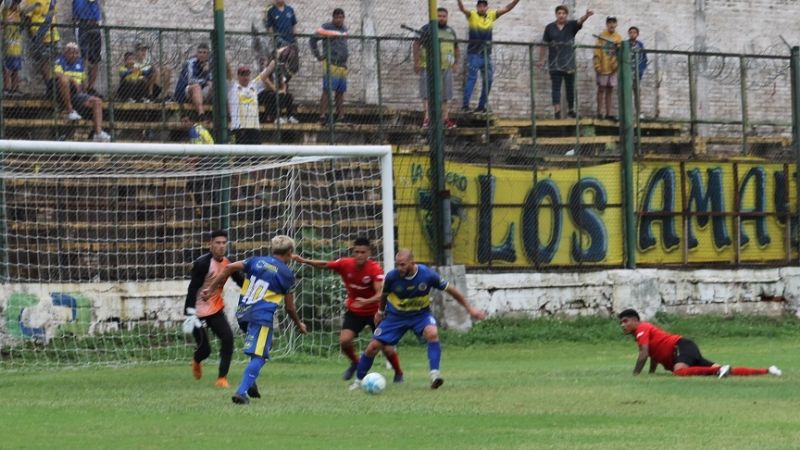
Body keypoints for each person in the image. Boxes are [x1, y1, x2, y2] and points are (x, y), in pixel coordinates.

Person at [350, 249, 487, 390]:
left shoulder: (427, 274)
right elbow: (384, 295)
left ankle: (435, 375)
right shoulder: (392, 277)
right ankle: (358, 381)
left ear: (412, 262)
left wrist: (470, 309)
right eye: (397, 265)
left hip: (420, 315)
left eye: (403, 264)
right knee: (373, 347)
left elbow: (451, 290)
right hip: (396, 317)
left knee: (432, 333)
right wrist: (380, 312)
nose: (399, 268)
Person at [204, 235, 307, 405]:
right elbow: (289, 307)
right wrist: (299, 324)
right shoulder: (287, 274)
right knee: (260, 356)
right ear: (290, 252)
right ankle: (241, 392)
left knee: (264, 345)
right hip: (261, 316)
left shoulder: (256, 261)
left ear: (273, 249)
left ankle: (251, 382)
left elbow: (229, 267)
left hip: (243, 314)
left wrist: (210, 289)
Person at [292, 237, 404, 383]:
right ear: (352, 252)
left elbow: (380, 294)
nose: (359, 255)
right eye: (357, 252)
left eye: (363, 252)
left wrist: (365, 302)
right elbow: (325, 264)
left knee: (387, 348)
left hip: (375, 313)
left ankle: (398, 372)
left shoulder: (374, 269)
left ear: (369, 253)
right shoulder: (345, 264)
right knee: (344, 341)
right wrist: (304, 260)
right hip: (355, 312)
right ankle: (356, 363)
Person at [618, 309, 782, 378]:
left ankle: (719, 370)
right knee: (723, 370)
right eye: (621, 323)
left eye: (625, 321)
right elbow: (653, 354)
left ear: (635, 320)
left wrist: (636, 375)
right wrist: (651, 373)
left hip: (680, 347)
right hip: (684, 347)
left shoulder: (642, 328)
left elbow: (644, 354)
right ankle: (767, 370)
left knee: (679, 372)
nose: (623, 325)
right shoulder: (643, 333)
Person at [183, 230, 245, 389]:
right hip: (197, 312)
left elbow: (240, 281)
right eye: (218, 243)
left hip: (215, 310)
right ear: (211, 244)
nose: (221, 246)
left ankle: (222, 378)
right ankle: (197, 360)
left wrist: (256, 289)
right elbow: (192, 289)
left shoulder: (228, 264)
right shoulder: (202, 264)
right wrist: (190, 313)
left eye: (224, 243)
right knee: (205, 350)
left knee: (228, 338)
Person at [456, 0, 520, 114]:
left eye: (484, 6)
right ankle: (465, 106)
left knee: (489, 80)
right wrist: (459, 2)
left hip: (486, 55)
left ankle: (481, 107)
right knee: (472, 79)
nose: (482, 8)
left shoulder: (491, 15)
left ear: (487, 7)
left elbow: (507, 8)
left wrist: (516, 1)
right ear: (477, 7)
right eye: (479, 6)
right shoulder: (472, 15)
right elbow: (462, 9)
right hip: (473, 54)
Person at [538, 5, 594, 119]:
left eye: (563, 13)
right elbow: (544, 44)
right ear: (556, 14)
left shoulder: (571, 26)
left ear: (566, 15)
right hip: (554, 63)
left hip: (569, 63)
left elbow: (579, 21)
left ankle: (571, 110)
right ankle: (557, 111)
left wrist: (587, 16)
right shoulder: (550, 27)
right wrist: (541, 59)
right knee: (556, 88)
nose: (561, 15)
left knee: (570, 88)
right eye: (559, 13)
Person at [413, 7, 459, 129]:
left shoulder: (450, 31)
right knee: (426, 94)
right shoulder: (426, 29)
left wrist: (456, 63)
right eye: (439, 16)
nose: (441, 18)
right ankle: (427, 119)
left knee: (445, 95)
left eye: (444, 16)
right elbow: (416, 44)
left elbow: (456, 48)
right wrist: (417, 62)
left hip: (446, 68)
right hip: (428, 66)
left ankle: (445, 119)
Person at [54, 42, 110, 141]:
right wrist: (72, 80)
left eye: (76, 53)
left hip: (76, 94)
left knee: (97, 101)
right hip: (61, 92)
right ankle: (70, 110)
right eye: (71, 52)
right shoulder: (60, 61)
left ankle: (98, 133)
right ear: (65, 53)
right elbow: (58, 75)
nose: (74, 55)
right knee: (64, 79)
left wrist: (85, 93)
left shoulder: (80, 63)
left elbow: (83, 82)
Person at [310, 8, 348, 124]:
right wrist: (318, 55)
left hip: (342, 64)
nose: (339, 20)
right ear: (333, 18)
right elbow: (312, 39)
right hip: (331, 63)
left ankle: (341, 117)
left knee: (340, 92)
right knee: (327, 90)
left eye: (341, 17)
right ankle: (322, 116)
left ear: (343, 18)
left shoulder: (344, 29)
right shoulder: (326, 27)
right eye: (337, 17)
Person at [228, 64, 271, 145]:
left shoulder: (254, 85)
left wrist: (275, 58)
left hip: (254, 128)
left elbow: (267, 71)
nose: (245, 77)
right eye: (243, 75)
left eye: (247, 75)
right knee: (238, 153)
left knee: (256, 152)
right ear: (238, 76)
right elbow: (228, 72)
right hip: (238, 129)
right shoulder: (233, 87)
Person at [22, 0, 61, 85]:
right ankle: (49, 86)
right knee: (44, 61)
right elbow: (27, 18)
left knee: (57, 62)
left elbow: (53, 13)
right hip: (40, 35)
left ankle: (55, 85)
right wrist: (33, 35)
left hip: (54, 34)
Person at [593, 16, 622, 120]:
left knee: (610, 90)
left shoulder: (618, 37)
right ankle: (599, 112)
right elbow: (597, 51)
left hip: (613, 67)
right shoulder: (601, 36)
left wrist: (619, 46)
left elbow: (621, 51)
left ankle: (609, 113)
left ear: (616, 24)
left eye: (613, 22)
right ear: (607, 24)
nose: (611, 25)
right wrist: (597, 64)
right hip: (603, 66)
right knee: (601, 89)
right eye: (609, 23)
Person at [174, 43, 213, 116]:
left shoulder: (210, 64)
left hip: (202, 91)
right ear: (196, 53)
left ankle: (225, 116)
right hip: (187, 90)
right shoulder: (190, 63)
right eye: (200, 52)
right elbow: (190, 80)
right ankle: (201, 115)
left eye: (204, 53)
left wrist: (207, 72)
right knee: (196, 87)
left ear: (208, 55)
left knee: (215, 86)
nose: (202, 55)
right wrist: (205, 80)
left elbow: (212, 80)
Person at [71, 0, 101, 94]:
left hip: (94, 24)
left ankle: (91, 87)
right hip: (82, 24)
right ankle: (81, 86)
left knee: (95, 58)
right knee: (81, 56)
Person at [257, 54, 298, 124]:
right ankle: (276, 117)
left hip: (272, 92)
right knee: (273, 95)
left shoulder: (278, 71)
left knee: (289, 96)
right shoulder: (266, 71)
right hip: (261, 93)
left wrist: (284, 91)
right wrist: (277, 91)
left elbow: (283, 83)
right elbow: (266, 82)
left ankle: (289, 116)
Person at [2, 0, 23, 96]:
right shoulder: (5, 10)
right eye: (15, 3)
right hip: (8, 46)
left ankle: (15, 88)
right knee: (7, 68)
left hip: (17, 46)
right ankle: (7, 88)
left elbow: (25, 9)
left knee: (16, 68)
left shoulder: (18, 11)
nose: (16, 5)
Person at [628, 26, 648, 116]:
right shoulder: (625, 44)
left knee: (637, 93)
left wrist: (641, 70)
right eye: (631, 32)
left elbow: (644, 59)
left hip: (637, 73)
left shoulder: (640, 45)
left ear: (637, 34)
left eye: (634, 32)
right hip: (628, 73)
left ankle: (638, 113)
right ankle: (627, 113)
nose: (632, 34)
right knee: (627, 93)